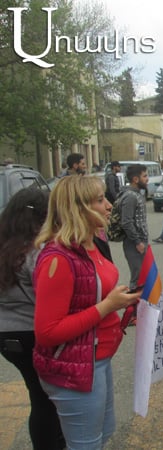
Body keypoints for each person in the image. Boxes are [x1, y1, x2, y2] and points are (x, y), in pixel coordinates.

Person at [33, 175, 140, 449]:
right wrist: (108, 306)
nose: (109, 205)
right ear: (78, 208)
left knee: (103, 434)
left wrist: (125, 303)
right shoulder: (59, 258)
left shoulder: (90, 243)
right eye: (100, 200)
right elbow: (47, 332)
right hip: (75, 367)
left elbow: (91, 296)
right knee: (86, 444)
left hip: (95, 361)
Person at [0, 189, 65, 450]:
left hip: (6, 337)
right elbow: (48, 299)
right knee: (47, 399)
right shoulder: (37, 252)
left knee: (37, 394)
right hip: (34, 332)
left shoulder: (5, 249)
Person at [120, 164, 149, 290]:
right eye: (145, 176)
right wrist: (137, 242)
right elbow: (126, 222)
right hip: (134, 244)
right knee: (137, 279)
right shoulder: (130, 196)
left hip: (140, 242)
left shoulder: (137, 194)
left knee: (143, 277)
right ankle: (133, 301)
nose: (147, 179)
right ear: (136, 179)